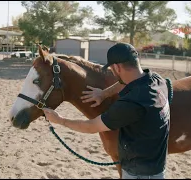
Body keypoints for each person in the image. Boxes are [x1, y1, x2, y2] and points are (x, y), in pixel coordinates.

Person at [42, 42, 170, 179]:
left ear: (117, 67)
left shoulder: (131, 103)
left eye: (112, 69)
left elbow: (91, 126)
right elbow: (125, 81)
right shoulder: (157, 80)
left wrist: (60, 120)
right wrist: (103, 94)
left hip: (139, 174)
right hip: (157, 168)